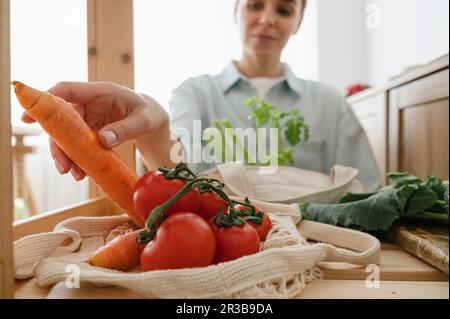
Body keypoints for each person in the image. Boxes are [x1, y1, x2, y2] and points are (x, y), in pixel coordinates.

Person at [22, 0, 380, 190]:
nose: (267, 19)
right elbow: (178, 173)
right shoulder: (194, 92)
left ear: (299, 21)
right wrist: (152, 133)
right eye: (255, 5)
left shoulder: (330, 103)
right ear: (236, 10)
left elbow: (364, 187)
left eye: (284, 9)